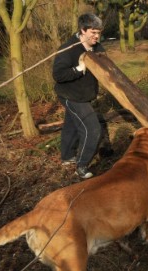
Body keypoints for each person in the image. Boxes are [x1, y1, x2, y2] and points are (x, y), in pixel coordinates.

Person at [52, 13, 105, 179]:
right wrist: (78, 69)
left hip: (84, 94)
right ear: (83, 30)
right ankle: (82, 166)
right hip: (71, 95)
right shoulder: (68, 49)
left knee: (72, 124)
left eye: (99, 33)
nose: (97, 36)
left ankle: (67, 157)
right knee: (92, 128)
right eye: (93, 32)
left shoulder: (96, 46)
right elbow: (58, 75)